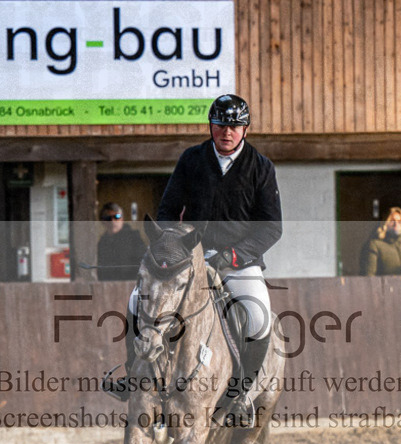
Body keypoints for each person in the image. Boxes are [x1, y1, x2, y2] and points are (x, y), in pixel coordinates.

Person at [110, 94, 283, 420]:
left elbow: (272, 228)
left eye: (234, 125)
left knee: (258, 317)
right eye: (220, 124)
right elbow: (167, 211)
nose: (226, 131)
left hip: (238, 261)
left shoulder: (261, 168)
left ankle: (240, 393)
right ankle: (134, 375)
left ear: (245, 128)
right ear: (211, 126)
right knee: (136, 300)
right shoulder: (191, 160)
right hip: (189, 257)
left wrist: (234, 255)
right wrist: (169, 248)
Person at [96, 202, 145, 281]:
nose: (113, 221)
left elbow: (142, 263)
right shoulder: (102, 243)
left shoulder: (134, 238)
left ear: (122, 219)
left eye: (117, 216)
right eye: (108, 218)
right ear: (103, 221)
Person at [361, 207, 401, 275]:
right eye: (392, 221)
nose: (396, 224)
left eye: (399, 221)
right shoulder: (375, 245)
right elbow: (369, 276)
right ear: (385, 223)